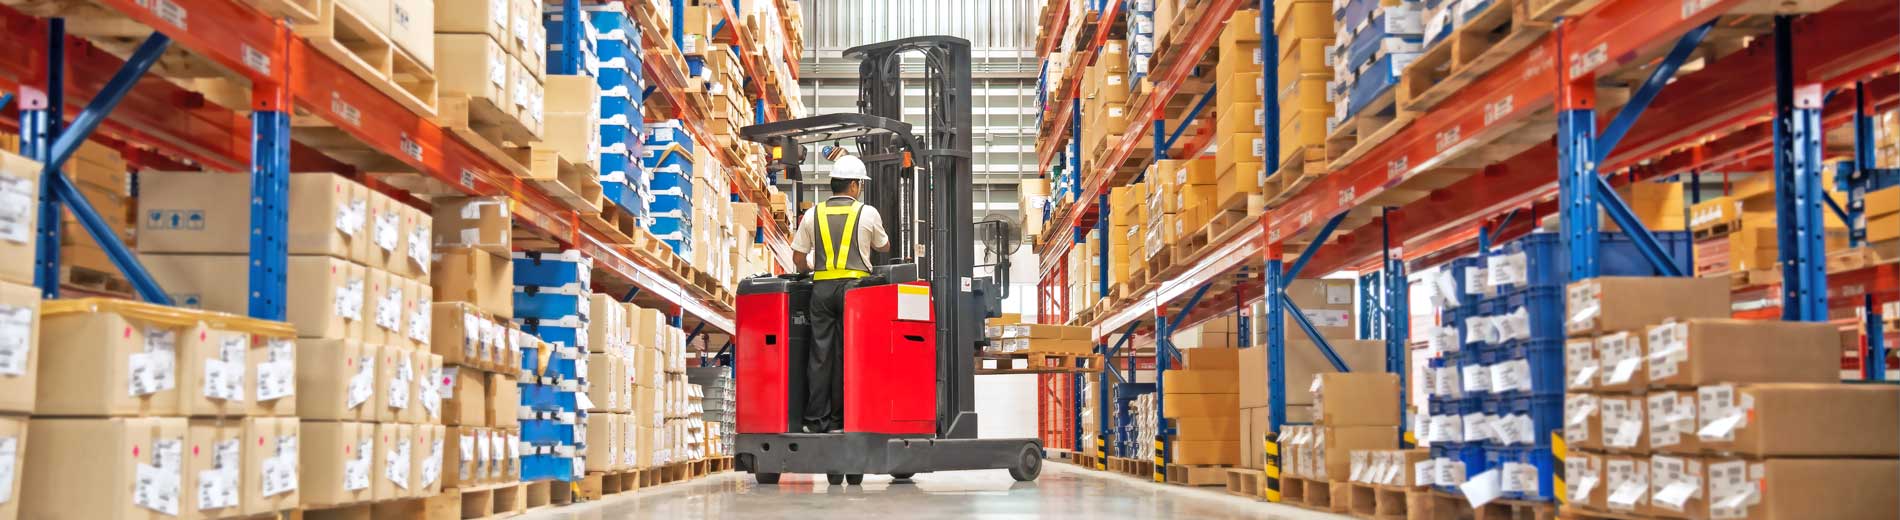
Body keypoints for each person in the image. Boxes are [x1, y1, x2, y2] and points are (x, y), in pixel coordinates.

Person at [789, 155, 890, 433]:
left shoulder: (812, 214)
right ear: (855, 185)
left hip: (820, 291)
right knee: (850, 354)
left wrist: (810, 269)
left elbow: (798, 257)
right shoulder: (867, 213)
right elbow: (884, 246)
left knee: (820, 355)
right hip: (855, 293)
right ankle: (844, 419)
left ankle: (815, 421)